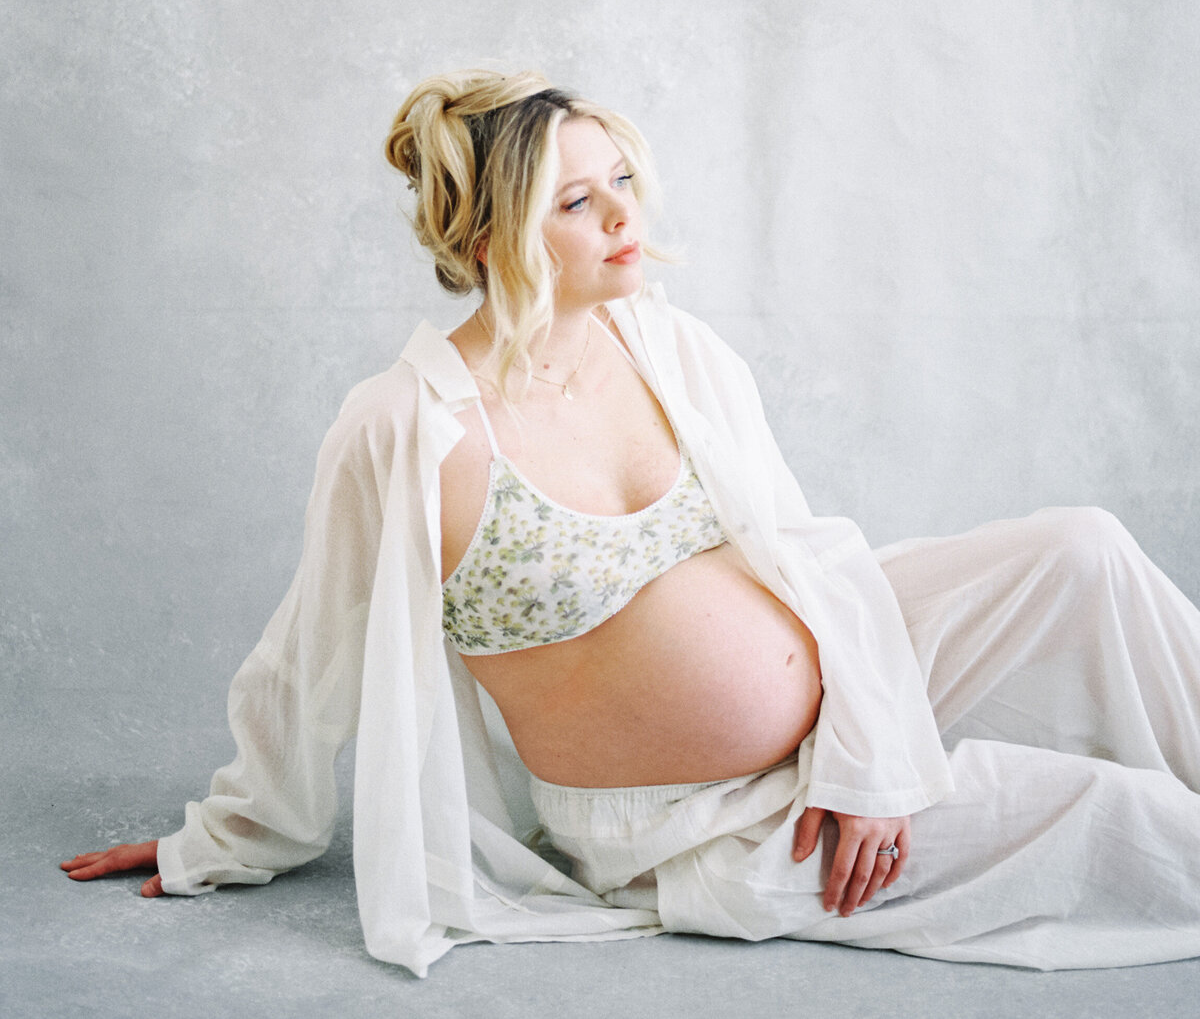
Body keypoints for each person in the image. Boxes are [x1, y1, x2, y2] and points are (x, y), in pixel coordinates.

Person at [62, 70, 1200, 976]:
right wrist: (225, 839)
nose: (624, 217)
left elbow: (802, 554)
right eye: (575, 200)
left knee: (1082, 548)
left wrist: (874, 744)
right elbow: (313, 650)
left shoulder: (662, 340)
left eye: (621, 179)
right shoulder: (408, 429)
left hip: (844, 694)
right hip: (705, 826)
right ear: (484, 242)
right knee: (1127, 825)